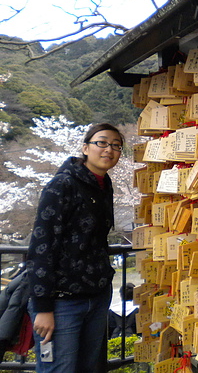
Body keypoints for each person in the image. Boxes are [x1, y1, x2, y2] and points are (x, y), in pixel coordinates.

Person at [26, 123, 124, 372]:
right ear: (85, 147)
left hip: (96, 295)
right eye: (101, 143)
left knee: (89, 368)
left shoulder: (103, 185)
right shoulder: (62, 185)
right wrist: (43, 308)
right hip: (62, 302)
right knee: (59, 368)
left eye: (116, 145)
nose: (108, 150)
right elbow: (42, 246)